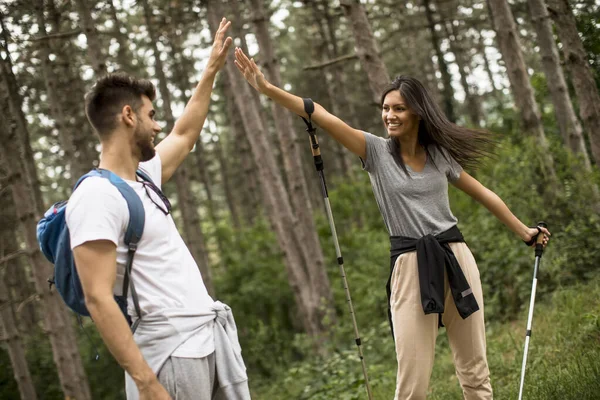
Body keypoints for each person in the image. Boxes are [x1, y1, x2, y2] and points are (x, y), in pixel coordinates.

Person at [233, 47, 550, 399]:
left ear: (417, 112)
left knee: (475, 371)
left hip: (456, 258)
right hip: (410, 265)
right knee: (412, 382)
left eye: (398, 108)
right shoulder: (375, 152)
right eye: (385, 109)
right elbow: (320, 114)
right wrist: (267, 89)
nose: (389, 115)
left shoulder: (438, 155)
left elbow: (483, 193)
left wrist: (525, 233)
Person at [67, 18, 250, 400]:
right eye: (151, 115)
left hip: (204, 341)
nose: (158, 124)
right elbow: (98, 298)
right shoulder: (96, 196)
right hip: (169, 357)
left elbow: (184, 133)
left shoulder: (143, 177)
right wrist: (147, 384)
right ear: (128, 116)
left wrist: (211, 70)